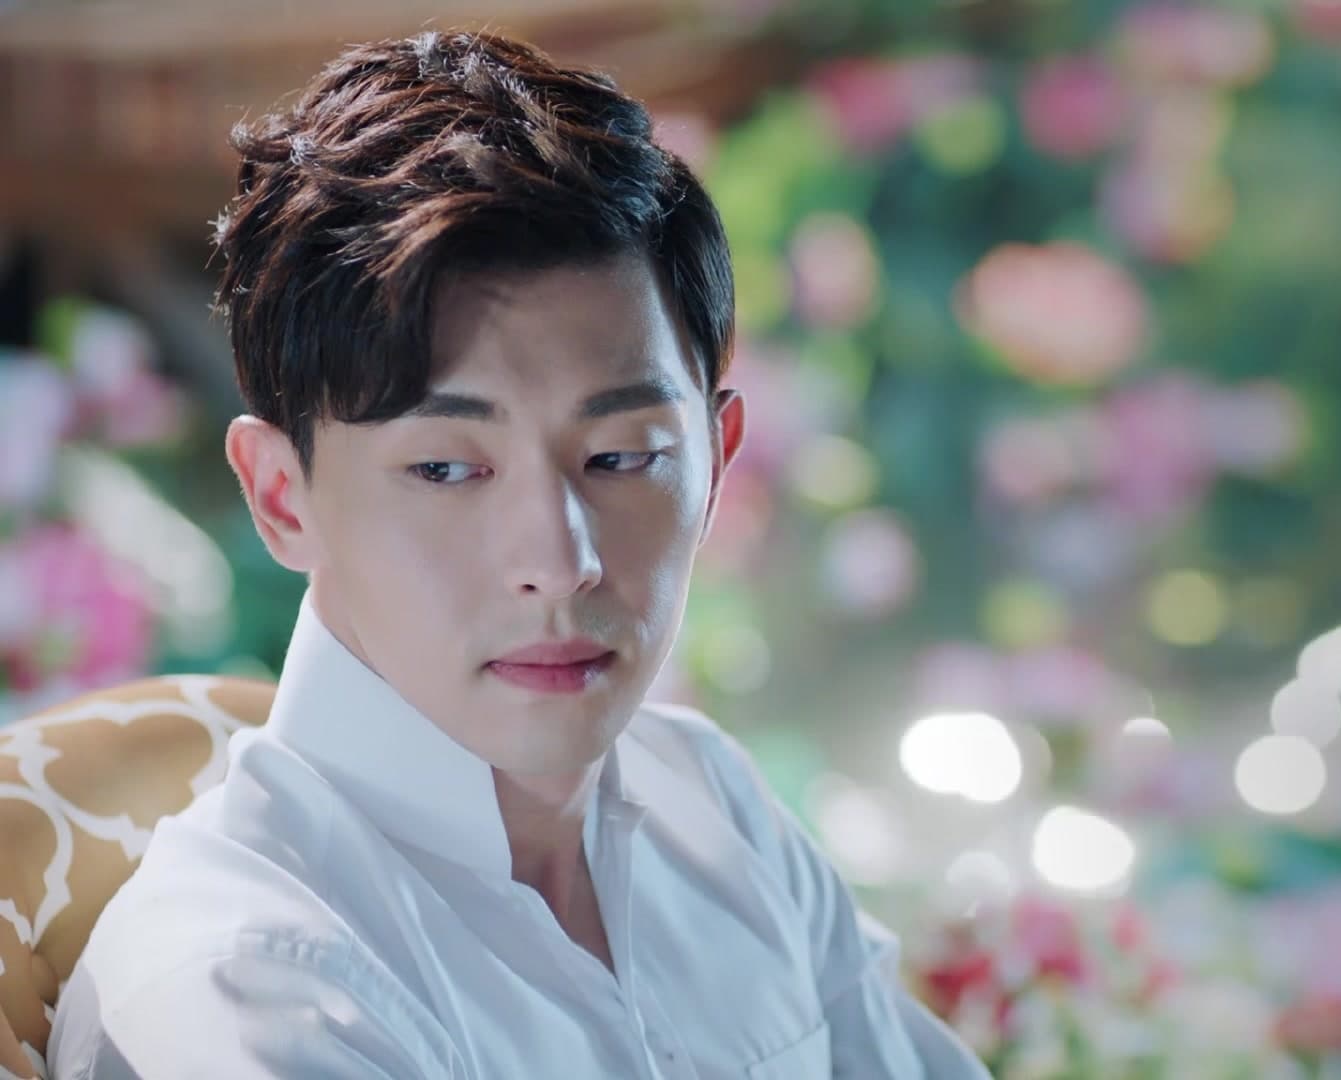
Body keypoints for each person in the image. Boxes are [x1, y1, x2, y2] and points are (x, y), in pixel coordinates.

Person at [49, 30, 989, 1080]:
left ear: (719, 460)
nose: (561, 558)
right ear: (281, 495)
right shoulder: (248, 988)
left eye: (622, 456)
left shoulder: (710, 804)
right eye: (447, 469)